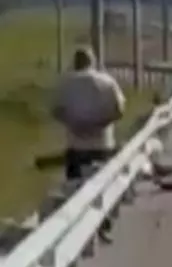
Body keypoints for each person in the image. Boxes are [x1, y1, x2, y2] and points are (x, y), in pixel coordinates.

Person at [52, 46, 126, 182]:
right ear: (93, 62)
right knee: (103, 187)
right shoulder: (107, 82)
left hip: (76, 146)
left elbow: (56, 111)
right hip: (102, 145)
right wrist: (99, 125)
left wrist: (75, 125)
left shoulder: (65, 83)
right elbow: (119, 111)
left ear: (75, 62)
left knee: (75, 189)